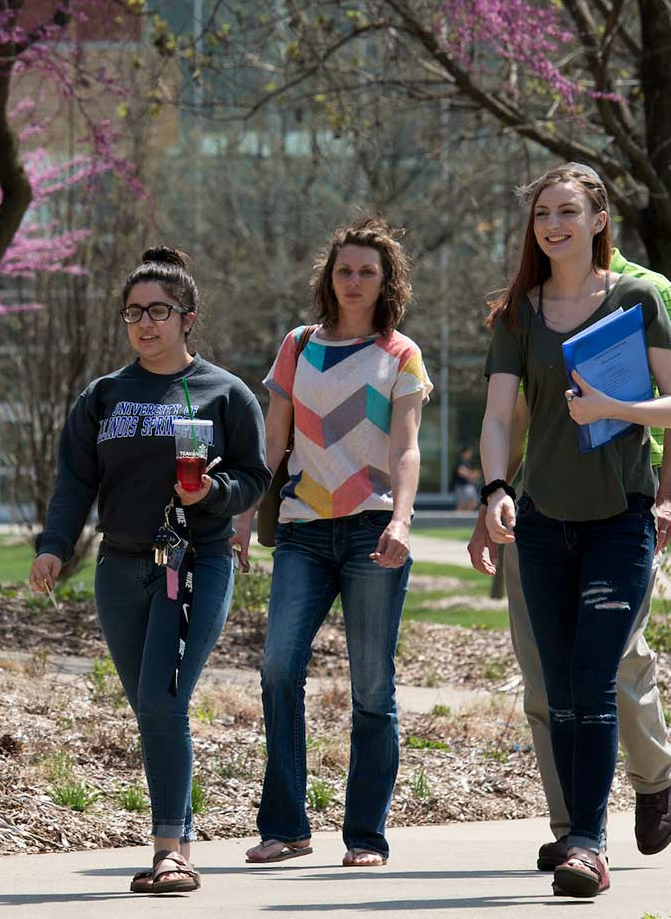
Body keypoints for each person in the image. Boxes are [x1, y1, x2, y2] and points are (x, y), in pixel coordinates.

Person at [472, 164, 671, 898]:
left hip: (619, 522)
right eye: (542, 214)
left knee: (598, 679)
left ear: (599, 221)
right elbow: (501, 416)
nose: (554, 225)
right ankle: (574, 828)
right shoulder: (518, 313)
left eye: (568, 212)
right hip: (540, 524)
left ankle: (588, 846)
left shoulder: (636, 300)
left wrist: (616, 416)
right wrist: (496, 490)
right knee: (559, 687)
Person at [29, 247, 267, 895]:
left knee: (163, 701)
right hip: (120, 566)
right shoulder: (103, 396)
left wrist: (211, 496)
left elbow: (255, 478)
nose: (145, 323)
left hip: (197, 562)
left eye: (158, 310)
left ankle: (170, 851)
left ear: (187, 317)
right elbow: (74, 482)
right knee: (153, 710)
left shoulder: (226, 394)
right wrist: (54, 546)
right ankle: (180, 840)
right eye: (133, 312)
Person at [235, 217, 432, 869]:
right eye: (344, 270)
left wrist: (401, 521)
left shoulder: (401, 355)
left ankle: (365, 836)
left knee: (372, 687)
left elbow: (406, 449)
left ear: (385, 282)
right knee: (278, 670)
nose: (353, 281)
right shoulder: (297, 347)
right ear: (330, 277)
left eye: (366, 272)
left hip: (373, 531)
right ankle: (287, 826)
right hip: (301, 531)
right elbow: (272, 443)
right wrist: (241, 515)